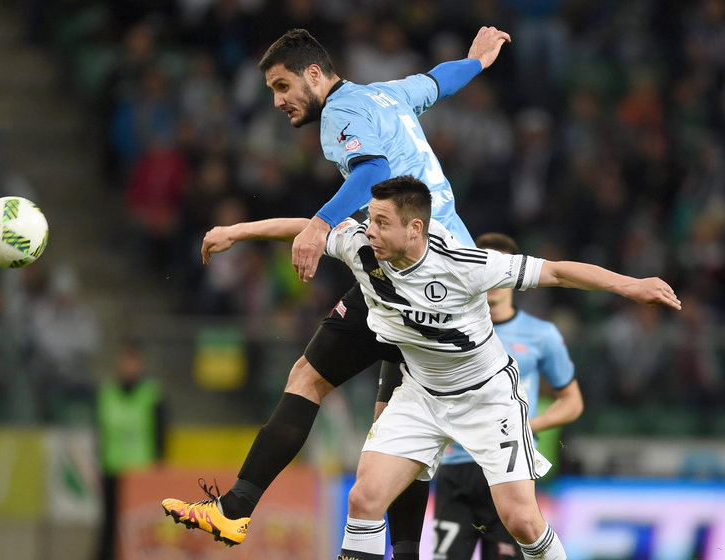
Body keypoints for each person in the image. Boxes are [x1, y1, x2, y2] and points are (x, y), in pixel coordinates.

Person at [162, 26, 511, 556]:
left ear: (315, 75)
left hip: (407, 275)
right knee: (390, 425)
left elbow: (374, 169)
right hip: (449, 277)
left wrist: (320, 224)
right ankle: (409, 549)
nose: (279, 101)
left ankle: (234, 510)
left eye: (282, 87)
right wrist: (478, 62)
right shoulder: (388, 94)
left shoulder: (341, 114)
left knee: (309, 379)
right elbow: (438, 82)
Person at [199, 176, 681, 560]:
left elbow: (555, 271)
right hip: (421, 396)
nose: (370, 230)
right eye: (370, 219)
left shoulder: (466, 265)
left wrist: (630, 285)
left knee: (522, 522)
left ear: (416, 229)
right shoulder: (361, 247)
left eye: (382, 222)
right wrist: (236, 232)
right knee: (365, 500)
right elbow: (310, 227)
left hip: (486, 398)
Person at [431, 232, 584, 560]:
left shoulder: (541, 334)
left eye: (501, 269)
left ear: (514, 275)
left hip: (509, 467)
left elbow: (572, 401)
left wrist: (530, 425)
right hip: (456, 467)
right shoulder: (450, 327)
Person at [96, 340, 167, 560]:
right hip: (113, 468)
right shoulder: (107, 393)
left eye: (133, 361)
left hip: (141, 472)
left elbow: (160, 433)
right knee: (110, 525)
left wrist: (158, 466)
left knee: (139, 526)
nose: (128, 366)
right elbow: (100, 432)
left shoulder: (151, 394)